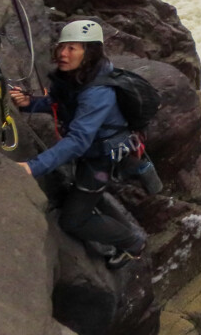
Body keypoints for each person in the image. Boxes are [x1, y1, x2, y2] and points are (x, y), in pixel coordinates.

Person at [10, 20, 147, 270]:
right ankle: (115, 221)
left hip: (100, 158)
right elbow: (59, 105)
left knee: (72, 220)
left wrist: (33, 167)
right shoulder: (78, 76)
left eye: (72, 48)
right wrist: (28, 103)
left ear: (90, 52)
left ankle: (133, 243)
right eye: (62, 47)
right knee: (88, 192)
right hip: (92, 152)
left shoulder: (98, 91)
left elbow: (78, 140)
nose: (63, 54)